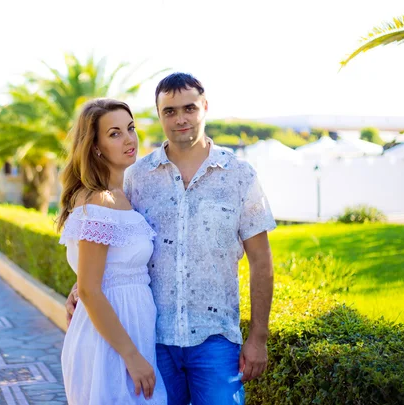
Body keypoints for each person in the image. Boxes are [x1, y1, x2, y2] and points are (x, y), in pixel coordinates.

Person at [66, 73, 276, 404]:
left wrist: (258, 338)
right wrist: (82, 288)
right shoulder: (136, 178)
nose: (180, 119)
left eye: (189, 108)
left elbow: (261, 262)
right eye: (170, 111)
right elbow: (109, 245)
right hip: (153, 340)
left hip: (216, 339)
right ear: (159, 114)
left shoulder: (240, 176)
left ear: (205, 107)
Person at [57, 98, 168, 404]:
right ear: (96, 147)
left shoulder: (120, 196)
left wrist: (81, 287)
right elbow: (92, 290)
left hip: (131, 330)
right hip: (112, 342)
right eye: (115, 133)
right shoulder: (99, 203)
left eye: (130, 128)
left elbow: (99, 275)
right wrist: (131, 356)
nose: (129, 139)